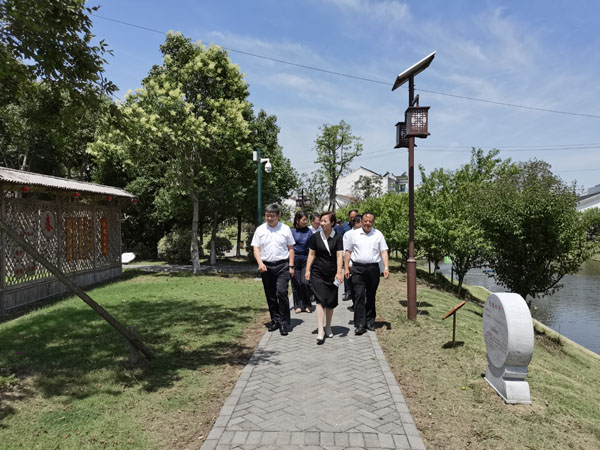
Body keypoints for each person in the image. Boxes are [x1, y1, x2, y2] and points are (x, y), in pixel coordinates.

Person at [251, 203, 295, 336]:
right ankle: (275, 320)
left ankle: (284, 322)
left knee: (281, 293)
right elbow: (256, 248)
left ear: (278, 216)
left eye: (272, 216)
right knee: (270, 295)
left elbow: (291, 248)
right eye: (267, 216)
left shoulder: (285, 229)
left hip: (282, 265)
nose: (269, 218)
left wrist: (291, 266)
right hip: (266, 266)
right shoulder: (260, 230)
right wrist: (260, 263)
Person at [343, 212, 389, 335]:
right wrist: (346, 268)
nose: (367, 223)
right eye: (365, 221)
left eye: (370, 221)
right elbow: (348, 252)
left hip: (373, 269)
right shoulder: (354, 234)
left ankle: (370, 322)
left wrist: (386, 267)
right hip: (357, 268)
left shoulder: (378, 234)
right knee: (359, 295)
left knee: (371, 295)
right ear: (362, 221)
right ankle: (359, 324)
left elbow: (384, 251)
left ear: (373, 222)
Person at [305, 211, 343, 345]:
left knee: (330, 302)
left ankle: (328, 326)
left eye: (325, 221)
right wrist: (308, 270)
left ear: (332, 223)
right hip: (317, 273)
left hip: (332, 273)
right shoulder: (315, 237)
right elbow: (311, 254)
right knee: (320, 300)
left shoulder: (338, 237)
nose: (322, 223)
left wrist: (339, 272)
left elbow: (339, 256)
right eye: (321, 221)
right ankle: (320, 330)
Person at [291, 211, 313, 314]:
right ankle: (298, 305)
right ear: (297, 220)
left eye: (306, 220)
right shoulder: (291, 231)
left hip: (305, 260)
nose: (305, 222)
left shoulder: (309, 232)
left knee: (305, 282)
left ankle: (307, 304)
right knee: (296, 283)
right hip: (294, 259)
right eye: (303, 220)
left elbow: (312, 247)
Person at [343, 214, 362, 312]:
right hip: (352, 264)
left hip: (363, 264)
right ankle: (355, 304)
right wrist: (347, 264)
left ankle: (360, 306)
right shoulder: (349, 234)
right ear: (357, 223)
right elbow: (345, 251)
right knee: (354, 286)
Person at [339, 209, 359, 301]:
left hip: (357, 254)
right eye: (351, 217)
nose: (352, 219)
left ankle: (354, 292)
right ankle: (348, 291)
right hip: (346, 253)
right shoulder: (344, 227)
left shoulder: (361, 226)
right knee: (347, 272)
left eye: (354, 217)